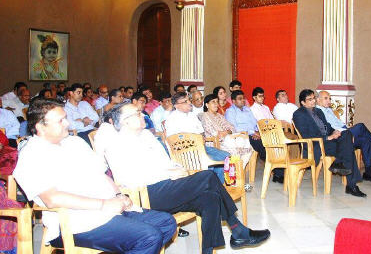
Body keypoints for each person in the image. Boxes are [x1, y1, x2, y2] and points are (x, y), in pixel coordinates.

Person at [103, 102, 270, 254]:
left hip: (167, 186)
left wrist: (176, 169)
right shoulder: (117, 144)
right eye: (137, 113)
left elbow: (166, 162)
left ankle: (209, 250)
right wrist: (168, 173)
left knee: (210, 197)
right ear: (125, 121)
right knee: (208, 177)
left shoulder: (147, 135)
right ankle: (238, 230)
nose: (142, 115)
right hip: (147, 195)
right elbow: (131, 179)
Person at [13, 99, 175, 253]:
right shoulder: (32, 154)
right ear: (41, 127)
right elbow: (52, 198)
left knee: (166, 222)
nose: (68, 124)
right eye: (60, 121)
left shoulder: (74, 142)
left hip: (109, 208)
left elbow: (101, 174)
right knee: (148, 236)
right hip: (77, 221)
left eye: (66, 119)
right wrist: (104, 204)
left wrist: (119, 194)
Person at [293, 89, 367, 197]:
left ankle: (339, 162)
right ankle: (351, 186)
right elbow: (306, 136)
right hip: (316, 145)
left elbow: (328, 126)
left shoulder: (318, 111)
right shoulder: (299, 114)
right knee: (348, 149)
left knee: (346, 134)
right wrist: (328, 137)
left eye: (313, 98)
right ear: (303, 102)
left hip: (328, 141)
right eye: (310, 100)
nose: (313, 101)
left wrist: (335, 131)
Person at [316, 91, 371, 184]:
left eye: (330, 98)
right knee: (360, 126)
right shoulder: (318, 112)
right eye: (326, 98)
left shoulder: (329, 110)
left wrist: (347, 128)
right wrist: (345, 131)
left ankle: (368, 173)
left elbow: (339, 123)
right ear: (318, 100)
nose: (329, 101)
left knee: (365, 141)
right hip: (340, 136)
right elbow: (330, 129)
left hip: (344, 131)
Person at [164, 92, 229, 182]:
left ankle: (218, 186)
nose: (189, 103)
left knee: (226, 157)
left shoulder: (192, 115)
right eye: (185, 101)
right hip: (186, 151)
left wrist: (201, 138)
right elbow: (173, 141)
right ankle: (207, 189)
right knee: (210, 162)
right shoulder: (171, 119)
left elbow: (201, 132)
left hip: (201, 146)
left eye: (189, 100)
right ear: (176, 105)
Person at [226, 90, 284, 183]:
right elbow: (234, 128)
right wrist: (252, 132)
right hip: (242, 136)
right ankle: (279, 173)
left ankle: (278, 171)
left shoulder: (247, 109)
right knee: (263, 146)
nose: (243, 101)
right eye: (239, 99)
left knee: (274, 142)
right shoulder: (230, 111)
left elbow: (255, 122)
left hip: (254, 133)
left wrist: (259, 132)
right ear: (233, 101)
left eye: (243, 98)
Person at [199, 94, 254, 168]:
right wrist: (224, 133)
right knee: (235, 151)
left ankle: (238, 171)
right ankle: (235, 172)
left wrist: (226, 132)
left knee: (249, 148)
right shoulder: (205, 116)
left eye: (217, 102)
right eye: (213, 102)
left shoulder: (220, 116)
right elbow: (213, 132)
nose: (216, 104)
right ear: (207, 104)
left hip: (227, 140)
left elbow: (232, 128)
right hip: (215, 143)